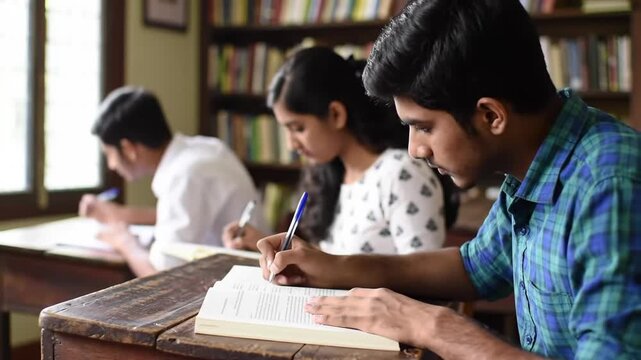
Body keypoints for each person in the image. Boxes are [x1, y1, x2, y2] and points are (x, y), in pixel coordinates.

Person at [255, 0, 641, 359]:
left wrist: (434, 325)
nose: (414, 150)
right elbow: (475, 268)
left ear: (491, 116)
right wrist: (334, 266)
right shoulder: (533, 160)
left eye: (423, 127)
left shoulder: (610, 185)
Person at [223, 46, 459, 256]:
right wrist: (261, 245)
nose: (290, 145)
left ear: (336, 114)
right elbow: (334, 264)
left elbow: (425, 281)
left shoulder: (402, 175)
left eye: (298, 128)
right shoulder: (332, 174)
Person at [79, 86, 265, 277]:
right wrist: (120, 214)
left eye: (109, 154)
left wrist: (124, 242)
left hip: (237, 285)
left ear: (129, 148)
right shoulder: (204, 149)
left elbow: (162, 276)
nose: (111, 165)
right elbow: (177, 214)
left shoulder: (184, 175)